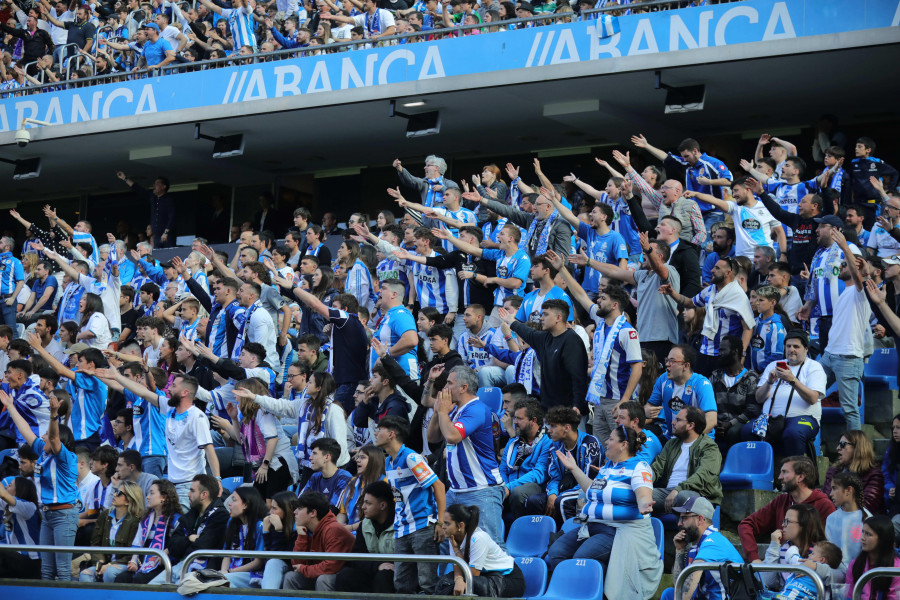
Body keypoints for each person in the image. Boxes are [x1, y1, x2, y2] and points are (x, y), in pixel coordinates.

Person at [545, 426, 661, 599]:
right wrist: (574, 468)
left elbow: (643, 493)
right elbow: (592, 489)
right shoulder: (608, 467)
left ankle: (594, 593)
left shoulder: (639, 467)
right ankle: (578, 592)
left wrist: (644, 504)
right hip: (593, 526)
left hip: (618, 530)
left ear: (623, 445)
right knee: (555, 554)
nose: (606, 442)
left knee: (581, 558)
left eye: (611, 439)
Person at [0, 389, 77, 580]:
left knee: (63, 570)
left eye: (45, 434)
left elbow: (53, 437)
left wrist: (53, 416)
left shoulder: (66, 457)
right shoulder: (43, 453)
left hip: (64, 515)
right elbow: (26, 430)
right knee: (46, 570)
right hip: (48, 515)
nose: (41, 436)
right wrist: (10, 406)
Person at [427, 366, 505, 545]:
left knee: (490, 545)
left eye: (449, 383)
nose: (444, 388)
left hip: (482, 489)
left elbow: (452, 436)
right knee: (448, 543)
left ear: (463, 388)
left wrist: (443, 413)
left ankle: (504, 574)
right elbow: (433, 438)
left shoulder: (477, 409)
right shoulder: (454, 410)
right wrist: (438, 412)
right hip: (455, 491)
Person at [377, 415, 446, 594]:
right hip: (401, 529)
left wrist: (440, 521)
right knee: (401, 584)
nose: (375, 433)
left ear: (391, 434)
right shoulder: (388, 462)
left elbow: (438, 486)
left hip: (422, 525)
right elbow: (398, 496)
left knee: (427, 584)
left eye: (380, 430)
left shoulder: (411, 458)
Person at [659, 256, 754, 377]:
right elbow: (690, 302)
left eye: (717, 268)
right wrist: (672, 293)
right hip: (705, 351)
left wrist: (741, 355)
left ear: (728, 273)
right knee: (700, 389)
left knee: (720, 392)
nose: (712, 270)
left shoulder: (738, 296)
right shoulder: (710, 290)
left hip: (725, 354)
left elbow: (748, 327)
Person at [741, 329, 826, 458]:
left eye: (796, 346)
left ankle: (796, 473)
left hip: (803, 418)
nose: (791, 349)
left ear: (806, 349)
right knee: (747, 430)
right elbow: (758, 398)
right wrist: (769, 382)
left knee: (793, 433)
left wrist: (792, 380)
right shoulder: (773, 365)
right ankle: (757, 472)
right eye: (788, 346)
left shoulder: (814, 367)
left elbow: (813, 398)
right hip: (770, 418)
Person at [738, 456, 836, 562]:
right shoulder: (781, 500)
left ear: (800, 477)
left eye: (785, 472)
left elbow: (832, 545)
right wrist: (754, 558)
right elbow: (746, 525)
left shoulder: (824, 505)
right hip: (782, 568)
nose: (780, 477)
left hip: (809, 571)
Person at [498, 300, 588, 411]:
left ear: (558, 318)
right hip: (548, 409)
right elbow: (527, 332)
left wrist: (577, 405)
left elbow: (578, 377)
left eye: (545, 314)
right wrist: (510, 320)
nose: (541, 318)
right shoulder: (545, 338)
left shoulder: (572, 341)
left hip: (569, 410)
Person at [217, 379, 299, 500]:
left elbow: (273, 439)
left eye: (237, 393)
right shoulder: (249, 415)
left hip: (278, 463)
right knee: (256, 502)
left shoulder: (262, 411)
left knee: (269, 504)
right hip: (265, 464)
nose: (234, 396)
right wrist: (233, 418)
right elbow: (242, 442)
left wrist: (265, 465)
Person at [149, 474, 228, 585]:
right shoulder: (191, 514)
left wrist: (183, 544)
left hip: (201, 571)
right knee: (151, 588)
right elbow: (173, 544)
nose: (188, 494)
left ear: (204, 495)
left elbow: (202, 548)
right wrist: (190, 539)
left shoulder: (220, 516)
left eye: (192, 491)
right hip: (180, 565)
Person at [435, 504, 526, 598]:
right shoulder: (452, 536)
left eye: (447, 523)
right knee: (444, 583)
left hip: (508, 580)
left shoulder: (478, 538)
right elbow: (458, 567)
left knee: (463, 586)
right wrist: (458, 580)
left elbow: (473, 574)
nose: (443, 527)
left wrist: (457, 551)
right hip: (484, 576)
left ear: (460, 525)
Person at [650, 407, 723, 515]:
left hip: (699, 495)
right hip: (669, 492)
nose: (673, 422)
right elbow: (657, 468)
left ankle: (683, 531)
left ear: (691, 425)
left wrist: (678, 489)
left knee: (683, 497)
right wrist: (643, 481)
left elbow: (703, 475)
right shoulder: (671, 444)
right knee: (640, 494)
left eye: (678, 420)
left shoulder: (709, 447)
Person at [672, 496, 745, 600]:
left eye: (684, 518)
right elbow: (679, 587)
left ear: (700, 520)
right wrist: (680, 551)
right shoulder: (696, 547)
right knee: (668, 593)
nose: (679, 523)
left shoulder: (713, 542)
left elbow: (683, 596)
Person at [539, 405, 603, 522]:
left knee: (561, 501)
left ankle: (570, 535)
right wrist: (552, 494)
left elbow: (589, 481)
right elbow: (554, 477)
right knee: (535, 501)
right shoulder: (555, 446)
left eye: (553, 426)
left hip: (588, 489)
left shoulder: (590, 443)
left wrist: (558, 496)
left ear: (567, 428)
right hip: (564, 487)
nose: (549, 430)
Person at [282, 491, 355, 591]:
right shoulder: (307, 528)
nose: (295, 512)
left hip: (343, 578)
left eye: (299, 509)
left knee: (324, 579)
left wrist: (304, 569)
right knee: (291, 577)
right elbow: (296, 564)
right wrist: (302, 537)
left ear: (313, 513)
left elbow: (331, 566)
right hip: (321, 573)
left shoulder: (333, 529)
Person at [334, 480, 396, 594]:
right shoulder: (364, 525)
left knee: (384, 577)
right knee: (345, 576)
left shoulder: (400, 524)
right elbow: (357, 558)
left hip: (394, 576)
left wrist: (383, 568)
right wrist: (378, 565)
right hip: (373, 571)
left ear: (383, 505)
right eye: (363, 502)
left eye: (368, 503)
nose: (363, 507)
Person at [77, 480, 145, 583]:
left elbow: (132, 555)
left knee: (110, 572)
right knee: (85, 575)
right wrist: (99, 563)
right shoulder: (105, 516)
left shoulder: (135, 522)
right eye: (115, 491)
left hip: (124, 563)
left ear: (128, 501)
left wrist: (109, 565)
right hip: (105, 562)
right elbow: (95, 544)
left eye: (119, 493)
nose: (114, 494)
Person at [645, 344, 717, 440]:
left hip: (699, 440)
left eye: (672, 361)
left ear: (686, 366)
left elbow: (711, 420)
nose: (667, 364)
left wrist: (689, 440)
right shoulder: (663, 379)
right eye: (667, 360)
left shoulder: (701, 384)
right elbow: (649, 406)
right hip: (671, 438)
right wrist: (647, 411)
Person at [117, 479, 182, 584]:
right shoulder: (145, 519)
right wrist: (133, 561)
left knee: (140, 579)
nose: (147, 497)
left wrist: (167, 553)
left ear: (163, 498)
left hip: (165, 565)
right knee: (122, 578)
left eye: (151, 493)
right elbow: (137, 544)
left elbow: (179, 544)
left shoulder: (176, 520)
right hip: (143, 564)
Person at [499, 399, 551, 526]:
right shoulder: (513, 442)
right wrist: (503, 486)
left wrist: (509, 487)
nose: (514, 422)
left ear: (533, 420)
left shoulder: (547, 442)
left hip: (535, 486)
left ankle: (523, 532)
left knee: (518, 493)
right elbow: (503, 469)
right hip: (510, 484)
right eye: (514, 418)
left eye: (519, 418)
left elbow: (539, 473)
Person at [710, 335, 761, 450]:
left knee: (733, 432)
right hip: (717, 423)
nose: (719, 353)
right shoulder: (715, 376)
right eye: (719, 350)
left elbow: (753, 410)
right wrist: (717, 423)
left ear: (735, 352)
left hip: (739, 423)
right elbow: (708, 405)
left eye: (723, 350)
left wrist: (730, 423)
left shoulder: (750, 378)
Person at [760, 504, 824, 594]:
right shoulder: (784, 550)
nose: (782, 525)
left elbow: (838, 575)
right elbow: (768, 581)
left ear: (803, 525)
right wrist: (774, 546)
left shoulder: (824, 551)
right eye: (783, 521)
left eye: (787, 521)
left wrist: (815, 567)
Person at [822, 430, 885, 515]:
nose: (838, 448)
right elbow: (824, 501)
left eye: (843, 444)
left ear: (857, 448)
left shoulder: (874, 475)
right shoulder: (833, 471)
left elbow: (866, 507)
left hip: (860, 524)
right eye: (838, 444)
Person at [826, 471, 871, 581]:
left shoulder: (867, 518)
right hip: (835, 576)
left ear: (848, 490)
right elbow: (828, 551)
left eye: (835, 488)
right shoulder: (831, 518)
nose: (830, 493)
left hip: (859, 577)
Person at [220, 486, 267, 589]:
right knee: (207, 579)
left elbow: (258, 562)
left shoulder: (260, 526)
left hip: (253, 574)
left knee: (225, 582)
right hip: (232, 572)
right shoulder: (231, 523)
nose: (229, 504)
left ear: (245, 505)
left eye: (234, 500)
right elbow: (227, 553)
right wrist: (224, 571)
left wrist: (230, 572)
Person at [845, 515, 900, 600]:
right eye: (863, 532)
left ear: (883, 538)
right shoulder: (855, 564)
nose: (862, 538)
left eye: (868, 534)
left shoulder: (896, 568)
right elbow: (849, 596)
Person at [336, 445, 386, 531]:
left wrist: (350, 528)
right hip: (349, 530)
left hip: (371, 533)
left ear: (374, 461)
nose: (357, 460)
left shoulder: (384, 483)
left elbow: (377, 517)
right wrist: (339, 527)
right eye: (358, 457)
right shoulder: (352, 482)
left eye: (362, 458)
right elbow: (342, 512)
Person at [0, 475, 41, 579]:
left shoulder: (29, 507)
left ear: (19, 490)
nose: (6, 487)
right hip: (13, 559)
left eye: (10, 485)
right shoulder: (6, 505)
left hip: (30, 562)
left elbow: (3, 494)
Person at [299, 437, 353, 512]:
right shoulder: (315, 477)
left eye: (314, 454)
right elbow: (300, 502)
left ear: (327, 457)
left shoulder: (344, 478)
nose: (310, 457)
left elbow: (333, 510)